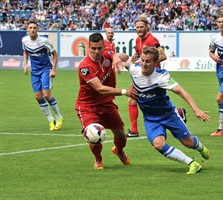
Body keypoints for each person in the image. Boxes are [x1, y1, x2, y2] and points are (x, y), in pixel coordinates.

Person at [125, 46, 211, 174]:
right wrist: (120, 58)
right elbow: (127, 63)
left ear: (155, 63)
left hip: (169, 115)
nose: (144, 64)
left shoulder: (161, 77)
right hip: (150, 119)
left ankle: (199, 146)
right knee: (158, 145)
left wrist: (196, 110)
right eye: (142, 60)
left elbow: (181, 91)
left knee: (188, 142)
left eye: (148, 61)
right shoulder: (134, 70)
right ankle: (192, 163)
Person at [75, 32, 132, 170]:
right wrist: (125, 92)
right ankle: (98, 159)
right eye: (93, 48)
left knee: (121, 135)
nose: (96, 51)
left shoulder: (107, 55)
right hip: (87, 106)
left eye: (99, 48)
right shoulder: (84, 66)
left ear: (103, 46)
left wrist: (116, 56)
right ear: (89, 47)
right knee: (94, 134)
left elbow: (126, 57)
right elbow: (100, 89)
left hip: (106, 104)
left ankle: (119, 150)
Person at [127, 14, 187, 138]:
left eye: (141, 27)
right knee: (137, 99)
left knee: (135, 98)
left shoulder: (152, 41)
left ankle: (134, 131)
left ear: (147, 27)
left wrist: (144, 62)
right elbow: (141, 56)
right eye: (137, 27)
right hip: (143, 75)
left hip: (154, 76)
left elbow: (163, 56)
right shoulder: (138, 40)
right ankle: (179, 113)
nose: (139, 29)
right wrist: (135, 58)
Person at [22, 19, 63, 131]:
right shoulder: (24, 40)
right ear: (27, 29)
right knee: (37, 96)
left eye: (34, 28)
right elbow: (25, 51)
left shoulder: (44, 41)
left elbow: (55, 55)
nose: (32, 30)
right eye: (30, 28)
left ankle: (59, 117)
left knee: (46, 94)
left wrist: (53, 70)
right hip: (34, 72)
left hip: (46, 69)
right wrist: (25, 64)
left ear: (38, 29)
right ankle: (51, 120)